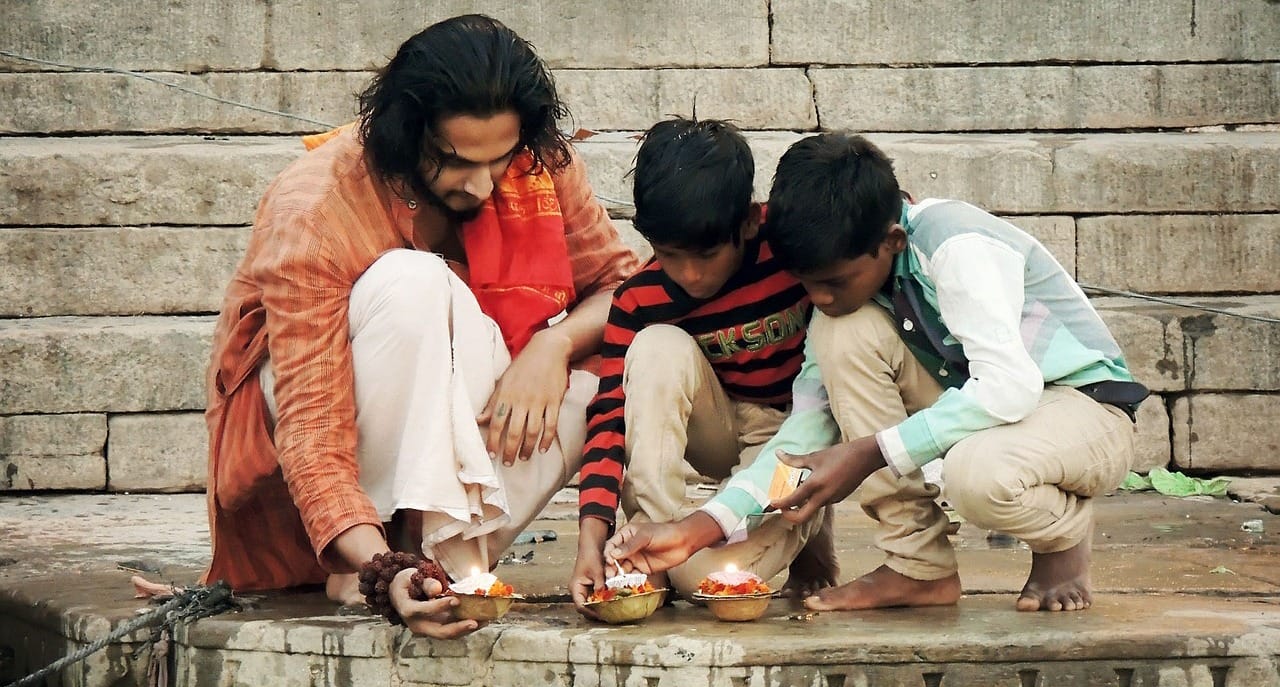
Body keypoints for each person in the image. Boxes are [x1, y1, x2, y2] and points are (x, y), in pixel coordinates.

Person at [201, 14, 639, 638]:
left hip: (465, 438)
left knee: (600, 385)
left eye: (501, 158)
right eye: (458, 162)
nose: (484, 185)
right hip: (329, 448)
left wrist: (554, 342)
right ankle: (385, 558)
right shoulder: (317, 211)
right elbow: (313, 428)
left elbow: (626, 291)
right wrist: (380, 566)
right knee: (416, 282)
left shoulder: (539, 166)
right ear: (410, 135)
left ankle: (441, 563)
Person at [607, 132, 1146, 613]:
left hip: (1084, 408)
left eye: (834, 283)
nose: (818, 299)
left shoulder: (955, 246)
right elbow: (802, 440)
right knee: (845, 334)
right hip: (1000, 414)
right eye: (807, 284)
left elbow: (1009, 386)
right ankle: (920, 566)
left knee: (978, 476)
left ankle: (1064, 539)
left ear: (891, 242)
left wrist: (866, 452)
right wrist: (702, 526)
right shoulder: (847, 306)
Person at [571, 118, 837, 618]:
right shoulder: (640, 298)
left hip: (794, 435)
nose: (690, 274)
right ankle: (649, 539)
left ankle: (809, 518)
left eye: (708, 255)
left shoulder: (790, 249)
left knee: (704, 580)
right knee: (655, 347)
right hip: (715, 421)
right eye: (671, 255)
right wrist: (592, 537)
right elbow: (608, 419)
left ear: (750, 223)